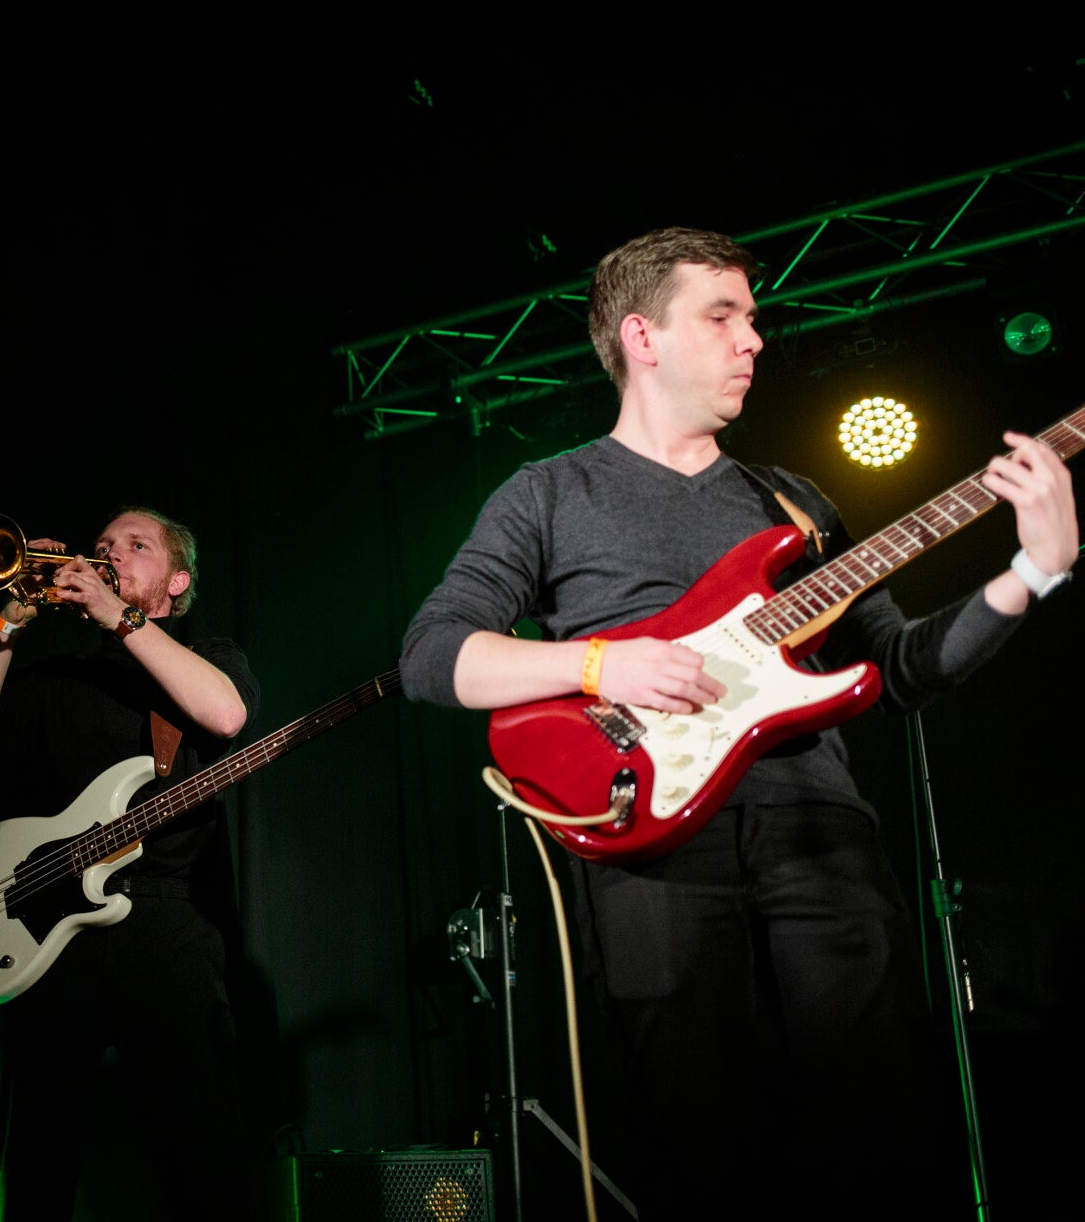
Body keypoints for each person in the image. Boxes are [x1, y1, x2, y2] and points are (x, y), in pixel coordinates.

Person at [398, 226, 1077, 1220]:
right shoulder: (547, 492)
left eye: (752, 319)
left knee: (884, 1115)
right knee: (698, 1132)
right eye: (722, 316)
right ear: (642, 336)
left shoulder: (795, 503)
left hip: (818, 829)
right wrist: (599, 662)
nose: (753, 339)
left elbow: (897, 668)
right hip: (649, 838)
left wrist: (1033, 572)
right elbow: (431, 656)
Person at [0, 505, 261, 1220]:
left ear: (177, 581)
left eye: (136, 546)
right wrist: (7, 623)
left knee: (200, 1155)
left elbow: (227, 716)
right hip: (53, 929)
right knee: (36, 1161)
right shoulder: (61, 677)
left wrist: (119, 615)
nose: (110, 554)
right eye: (103, 545)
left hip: (167, 920)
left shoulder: (207, 653)